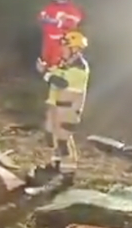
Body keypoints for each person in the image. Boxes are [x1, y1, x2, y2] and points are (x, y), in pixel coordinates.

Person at [32, 30, 90, 187]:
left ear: (76, 50)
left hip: (68, 110)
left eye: (66, 47)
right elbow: (55, 75)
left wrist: (45, 72)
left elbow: (60, 83)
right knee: (53, 135)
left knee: (64, 140)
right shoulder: (66, 64)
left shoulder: (79, 69)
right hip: (57, 106)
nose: (62, 50)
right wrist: (45, 70)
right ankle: (57, 164)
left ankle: (68, 174)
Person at [37, 0, 84, 71]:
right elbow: (41, 16)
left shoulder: (72, 10)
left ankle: (56, 77)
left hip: (61, 41)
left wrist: (58, 22)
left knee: (57, 62)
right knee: (46, 58)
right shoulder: (51, 7)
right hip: (48, 38)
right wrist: (46, 20)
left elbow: (74, 23)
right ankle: (46, 75)